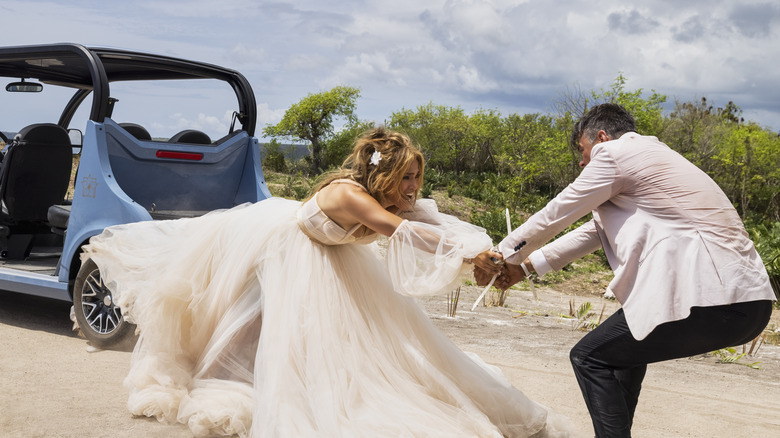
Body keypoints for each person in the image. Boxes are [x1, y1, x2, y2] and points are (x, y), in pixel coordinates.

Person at [83, 127, 576, 437]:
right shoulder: (349, 196)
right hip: (281, 249)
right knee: (254, 322)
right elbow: (402, 233)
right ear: (381, 174)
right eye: (406, 178)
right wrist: (468, 253)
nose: (413, 188)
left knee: (335, 342)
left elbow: (437, 227)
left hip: (332, 260)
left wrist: (488, 258)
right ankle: (209, 377)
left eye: (417, 178)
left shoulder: (401, 200)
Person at [475, 103, 775, 437]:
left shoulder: (615, 154)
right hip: (749, 304)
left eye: (582, 150)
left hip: (709, 297)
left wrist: (499, 255)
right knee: (622, 359)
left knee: (589, 357)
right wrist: (525, 268)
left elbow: (559, 211)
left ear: (601, 137)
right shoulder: (654, 158)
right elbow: (592, 232)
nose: (581, 161)